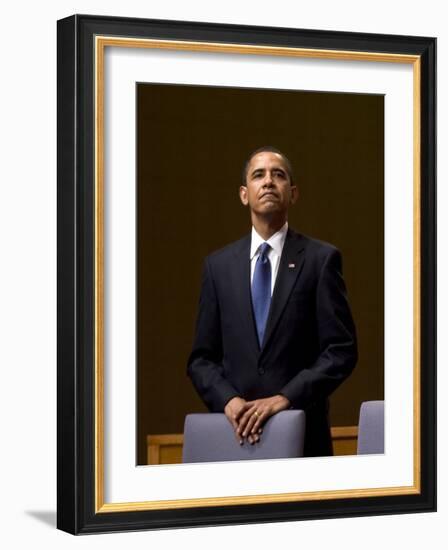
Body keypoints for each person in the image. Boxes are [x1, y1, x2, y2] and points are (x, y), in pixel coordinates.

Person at [187, 146, 357, 457]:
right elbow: (201, 360)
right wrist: (229, 400)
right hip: (234, 436)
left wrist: (285, 397)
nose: (268, 181)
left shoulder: (321, 260)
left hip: (304, 436)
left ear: (293, 194)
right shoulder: (217, 267)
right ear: (243, 194)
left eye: (278, 175)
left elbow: (341, 351)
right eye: (258, 175)